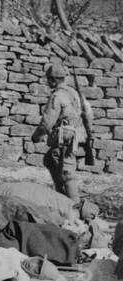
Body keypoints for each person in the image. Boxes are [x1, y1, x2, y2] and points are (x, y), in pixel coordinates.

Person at [33, 63, 93, 202]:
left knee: (67, 171)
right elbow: (88, 114)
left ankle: (75, 206)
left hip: (65, 138)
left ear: (53, 80)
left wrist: (36, 136)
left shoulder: (57, 96)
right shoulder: (74, 93)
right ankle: (60, 196)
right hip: (75, 135)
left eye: (49, 79)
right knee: (49, 159)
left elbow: (47, 122)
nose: (47, 82)